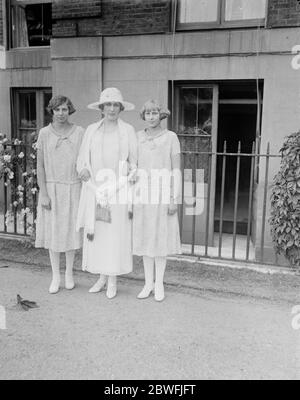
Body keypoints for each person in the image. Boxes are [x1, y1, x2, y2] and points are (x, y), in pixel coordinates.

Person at [76, 87, 137, 299]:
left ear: (121, 108)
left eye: (115, 105)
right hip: (96, 192)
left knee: (114, 236)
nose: (111, 109)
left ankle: (112, 280)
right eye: (108, 105)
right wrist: (83, 171)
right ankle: (101, 277)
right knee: (99, 237)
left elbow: (134, 163)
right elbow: (83, 160)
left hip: (118, 192)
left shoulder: (127, 130)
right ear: (101, 108)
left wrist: (126, 174)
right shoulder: (92, 130)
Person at [133, 100, 182, 302]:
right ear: (143, 116)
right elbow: (132, 165)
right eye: (148, 113)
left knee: (160, 239)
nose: (151, 117)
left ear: (161, 115)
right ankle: (148, 283)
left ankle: (159, 283)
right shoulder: (137, 138)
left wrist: (174, 198)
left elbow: (176, 169)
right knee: (146, 240)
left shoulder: (171, 137)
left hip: (163, 193)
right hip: (143, 194)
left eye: (155, 113)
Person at [35, 95, 84, 294]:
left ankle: (69, 274)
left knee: (71, 233)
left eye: (64, 109)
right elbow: (40, 165)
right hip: (52, 189)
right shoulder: (45, 133)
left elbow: (84, 161)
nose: (61, 113)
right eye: (57, 110)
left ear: (69, 110)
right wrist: (44, 193)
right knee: (54, 233)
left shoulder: (79, 132)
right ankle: (56, 275)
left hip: (73, 187)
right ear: (52, 111)